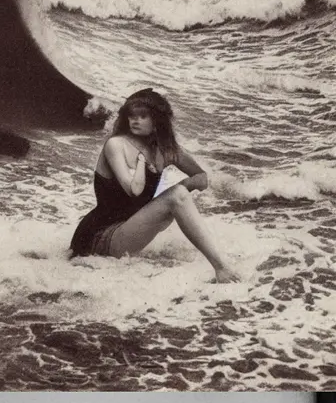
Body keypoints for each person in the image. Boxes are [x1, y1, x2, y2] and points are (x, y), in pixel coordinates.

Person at [70, 90, 238, 282]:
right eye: (132, 116)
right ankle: (221, 269)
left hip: (128, 228)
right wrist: (172, 192)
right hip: (99, 237)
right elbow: (132, 191)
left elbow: (201, 177)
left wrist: (182, 186)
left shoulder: (165, 150)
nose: (135, 121)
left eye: (143, 116)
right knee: (176, 196)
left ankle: (221, 264)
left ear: (157, 120)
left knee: (178, 195)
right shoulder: (116, 145)